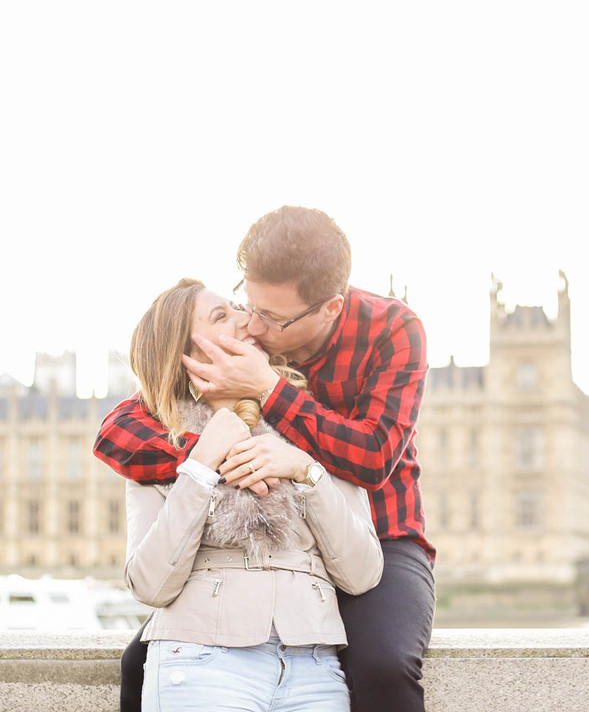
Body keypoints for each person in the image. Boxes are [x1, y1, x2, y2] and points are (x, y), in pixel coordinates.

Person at [95, 206, 436, 712]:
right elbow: (117, 430)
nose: (253, 324)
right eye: (245, 304)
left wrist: (269, 390)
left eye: (271, 318)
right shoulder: (237, 347)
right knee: (137, 664)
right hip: (272, 558)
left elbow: (374, 457)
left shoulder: (389, 331)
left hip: (381, 531)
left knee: (382, 666)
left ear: (329, 309)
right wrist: (216, 456)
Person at [123, 278, 383, 712]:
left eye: (238, 307)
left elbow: (362, 573)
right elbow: (149, 584)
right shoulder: (154, 443)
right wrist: (200, 463)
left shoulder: (313, 425)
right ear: (183, 353)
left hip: (314, 671)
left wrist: (304, 469)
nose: (248, 320)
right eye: (221, 316)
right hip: (202, 663)